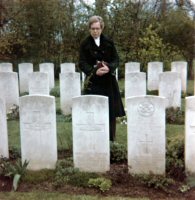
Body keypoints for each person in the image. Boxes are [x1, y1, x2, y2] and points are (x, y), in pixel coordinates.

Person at [79, 15, 125, 141]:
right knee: (93, 111)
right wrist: (94, 71)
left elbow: (116, 59)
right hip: (93, 83)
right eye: (93, 28)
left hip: (108, 82)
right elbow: (82, 63)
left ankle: (111, 140)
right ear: (89, 29)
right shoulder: (84, 44)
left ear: (102, 28)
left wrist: (109, 67)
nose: (95, 31)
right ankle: (94, 139)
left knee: (110, 112)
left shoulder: (109, 42)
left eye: (97, 28)